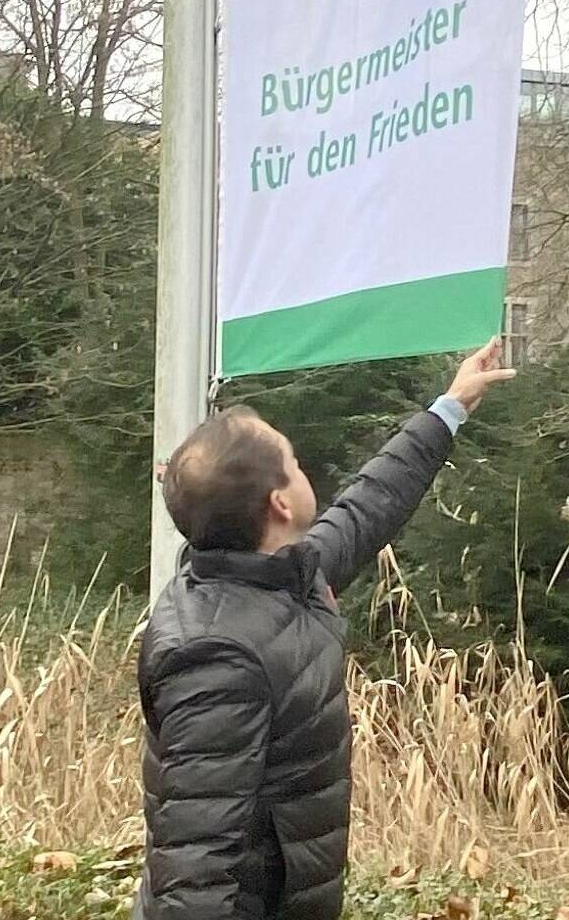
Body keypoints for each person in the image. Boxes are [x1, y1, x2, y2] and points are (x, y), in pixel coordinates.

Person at [134, 338, 514, 920]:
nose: (303, 469)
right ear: (280, 504)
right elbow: (195, 860)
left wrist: (451, 406)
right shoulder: (215, 659)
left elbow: (367, 507)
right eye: (293, 463)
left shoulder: (281, 574)